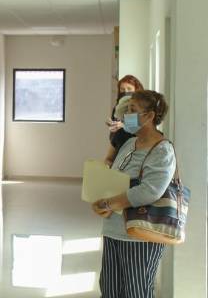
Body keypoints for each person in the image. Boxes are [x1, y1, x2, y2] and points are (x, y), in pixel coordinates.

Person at [92, 90, 175, 298]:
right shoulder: (129, 143)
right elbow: (115, 177)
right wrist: (100, 200)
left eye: (132, 109)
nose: (126, 115)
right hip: (113, 229)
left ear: (150, 116)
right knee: (110, 289)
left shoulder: (162, 150)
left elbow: (149, 191)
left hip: (140, 235)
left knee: (136, 291)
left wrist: (109, 204)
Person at [104, 75, 144, 166]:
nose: (125, 92)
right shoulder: (117, 107)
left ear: (136, 89)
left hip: (135, 147)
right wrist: (112, 124)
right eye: (122, 89)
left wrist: (123, 125)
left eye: (129, 89)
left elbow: (140, 126)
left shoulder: (142, 107)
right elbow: (114, 130)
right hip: (118, 143)